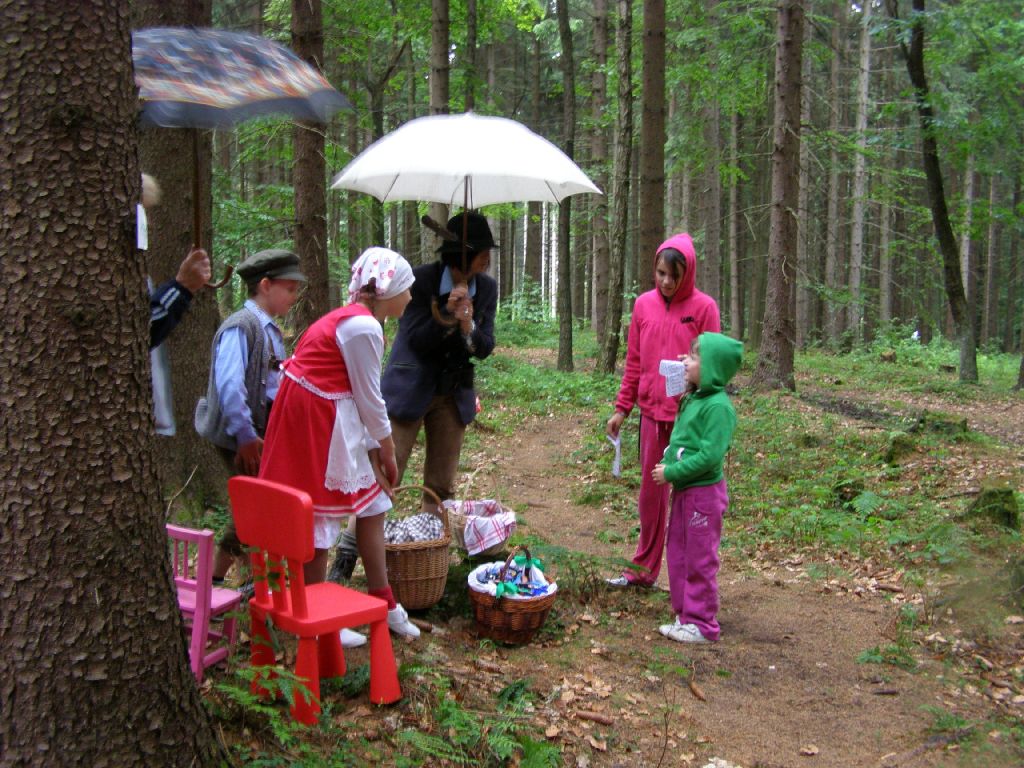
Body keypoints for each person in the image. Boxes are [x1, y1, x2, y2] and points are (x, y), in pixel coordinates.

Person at [257, 247, 421, 644]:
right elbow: (369, 397)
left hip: (333, 416)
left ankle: (384, 602)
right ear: (386, 290)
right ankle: (317, 615)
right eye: (406, 288)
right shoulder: (362, 327)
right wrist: (386, 449)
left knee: (374, 502)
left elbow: (360, 396)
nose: (410, 296)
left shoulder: (360, 321)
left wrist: (374, 451)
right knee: (318, 514)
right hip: (315, 421)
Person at [329, 211, 497, 584]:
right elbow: (416, 337)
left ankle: (426, 565)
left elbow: (484, 346)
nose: (487, 260)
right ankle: (346, 557)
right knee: (383, 477)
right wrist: (447, 314)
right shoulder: (418, 281)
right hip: (409, 390)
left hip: (453, 394)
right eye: (482, 252)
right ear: (463, 252)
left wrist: (468, 325)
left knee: (441, 485)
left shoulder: (486, 289)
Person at [605, 233, 721, 588]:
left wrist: (697, 375)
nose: (667, 282)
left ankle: (688, 579)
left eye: (674, 275)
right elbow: (634, 362)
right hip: (652, 417)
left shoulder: (704, 308)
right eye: (661, 274)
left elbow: (715, 366)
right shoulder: (643, 306)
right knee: (650, 497)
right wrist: (622, 409)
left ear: (688, 273)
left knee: (689, 500)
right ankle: (642, 571)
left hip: (689, 420)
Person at [194, 249, 306, 587]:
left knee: (253, 507)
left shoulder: (268, 329)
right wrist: (244, 436)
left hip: (256, 434)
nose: (294, 296)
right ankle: (231, 582)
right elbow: (230, 386)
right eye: (289, 289)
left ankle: (238, 581)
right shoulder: (241, 327)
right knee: (256, 509)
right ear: (265, 285)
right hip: (240, 437)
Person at [652, 332, 742, 643]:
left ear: (712, 368)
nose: (685, 361)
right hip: (685, 492)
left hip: (703, 495)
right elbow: (677, 404)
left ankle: (703, 623)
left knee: (699, 557)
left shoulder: (718, 408)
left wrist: (673, 471)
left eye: (693, 358)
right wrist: (688, 370)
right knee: (678, 552)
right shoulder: (694, 397)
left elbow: (709, 457)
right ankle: (685, 615)